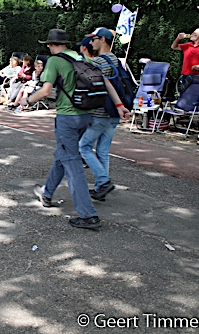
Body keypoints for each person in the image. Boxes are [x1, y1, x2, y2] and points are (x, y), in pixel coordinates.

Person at [25, 29, 129, 230]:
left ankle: (88, 215)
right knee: (63, 155)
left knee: (72, 164)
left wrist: (27, 100)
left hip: (67, 117)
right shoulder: (81, 58)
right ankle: (47, 193)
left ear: (50, 45)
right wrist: (119, 105)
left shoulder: (55, 61)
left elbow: (46, 91)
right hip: (86, 114)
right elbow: (105, 82)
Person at [79, 28, 122, 201]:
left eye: (94, 39)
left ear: (102, 40)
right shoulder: (115, 60)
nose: (91, 42)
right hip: (114, 112)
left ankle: (103, 181)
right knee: (103, 151)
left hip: (100, 112)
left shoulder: (99, 61)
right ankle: (100, 189)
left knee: (84, 147)